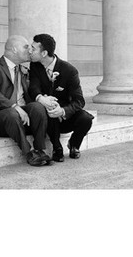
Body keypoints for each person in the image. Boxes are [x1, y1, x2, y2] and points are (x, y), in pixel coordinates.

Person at [0, 35, 52, 166]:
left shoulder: (24, 70)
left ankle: (40, 149)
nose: (30, 50)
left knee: (37, 107)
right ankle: (29, 153)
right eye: (26, 46)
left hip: (21, 117)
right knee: (11, 113)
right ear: (15, 49)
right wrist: (15, 106)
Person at [28, 33, 94, 162]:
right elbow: (33, 88)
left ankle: (74, 144)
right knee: (49, 110)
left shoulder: (70, 71)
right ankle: (57, 148)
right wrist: (41, 99)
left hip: (66, 115)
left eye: (33, 48)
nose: (30, 51)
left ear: (44, 53)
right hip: (49, 116)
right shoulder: (35, 66)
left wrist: (63, 111)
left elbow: (79, 101)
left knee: (86, 119)